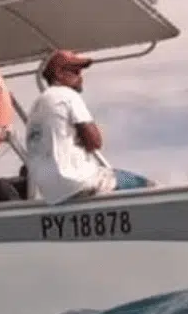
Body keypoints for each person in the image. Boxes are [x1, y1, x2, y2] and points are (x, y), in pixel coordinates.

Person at [23, 50, 153, 204]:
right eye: (75, 72)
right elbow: (95, 142)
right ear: (59, 74)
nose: (80, 77)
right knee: (148, 187)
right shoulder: (67, 95)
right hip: (77, 181)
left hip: (51, 192)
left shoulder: (36, 107)